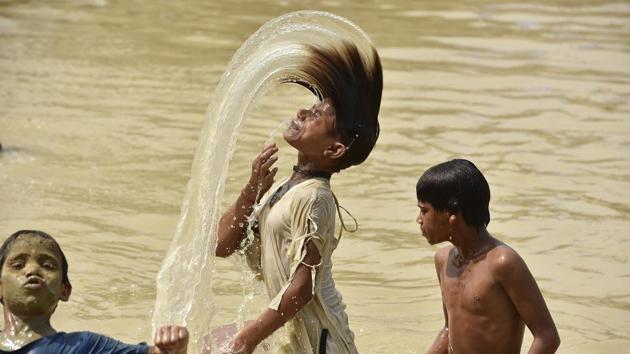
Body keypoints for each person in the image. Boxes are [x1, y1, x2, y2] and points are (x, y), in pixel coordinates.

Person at [214, 40, 382, 354]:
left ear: (334, 150)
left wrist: (246, 338)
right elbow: (222, 245)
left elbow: (303, 287)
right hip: (291, 339)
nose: (302, 111)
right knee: (211, 342)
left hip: (321, 343)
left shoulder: (316, 197)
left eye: (316, 115)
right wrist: (251, 191)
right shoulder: (283, 190)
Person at [416, 159, 561, 354]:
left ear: (452, 214)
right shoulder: (443, 260)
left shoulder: (503, 264)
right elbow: (449, 329)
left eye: (424, 210)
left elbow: (547, 337)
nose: (418, 219)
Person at [0, 229, 189, 354]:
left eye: (48, 265)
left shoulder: (86, 346)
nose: (32, 271)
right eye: (18, 265)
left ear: (64, 290)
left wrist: (173, 349)